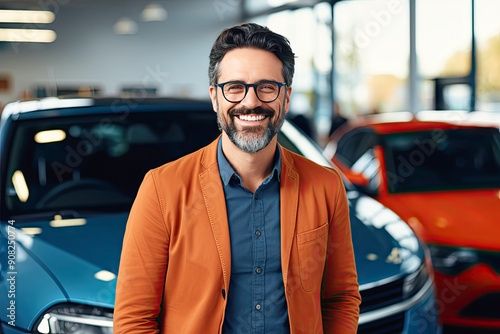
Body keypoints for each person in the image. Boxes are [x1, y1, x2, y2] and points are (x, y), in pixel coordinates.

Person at [114, 23, 360, 333]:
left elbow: (340, 297)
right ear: (215, 97)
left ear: (286, 98)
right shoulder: (162, 189)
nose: (251, 102)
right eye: (235, 88)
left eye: (267, 87)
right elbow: (134, 320)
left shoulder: (326, 186)